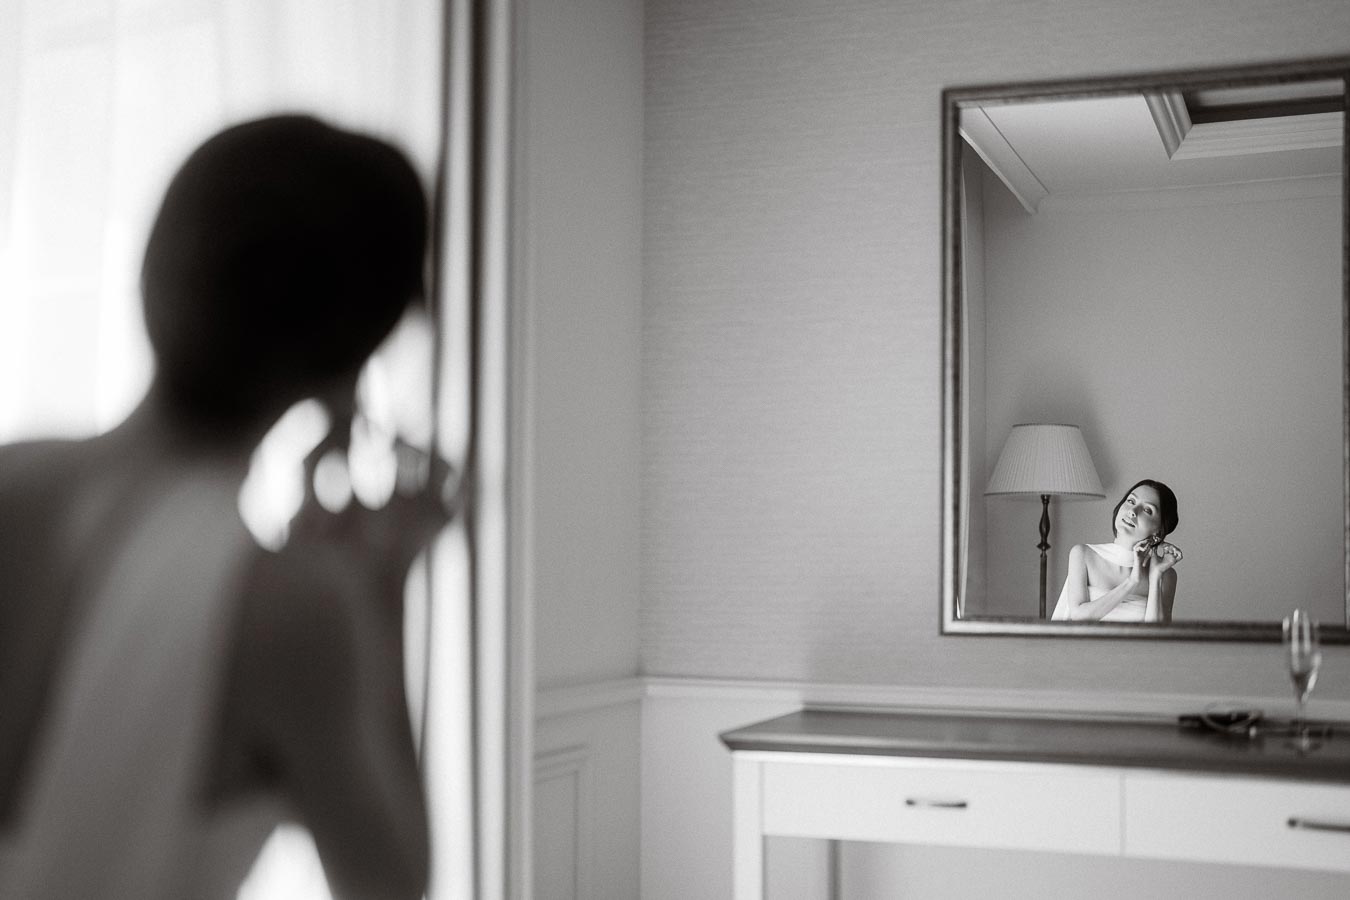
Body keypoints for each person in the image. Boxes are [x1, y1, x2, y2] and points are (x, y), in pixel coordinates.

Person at [0, 116, 450, 899]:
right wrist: (383, 593)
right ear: (349, 361)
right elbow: (390, 885)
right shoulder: (290, 605)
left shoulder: (14, 477)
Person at [1050, 479, 1182, 624]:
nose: (1132, 512)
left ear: (1159, 529)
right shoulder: (1083, 554)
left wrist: (1156, 576)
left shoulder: (1166, 575)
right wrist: (1132, 581)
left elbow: (1158, 638)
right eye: (1131, 501)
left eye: (1147, 510)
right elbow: (1079, 617)